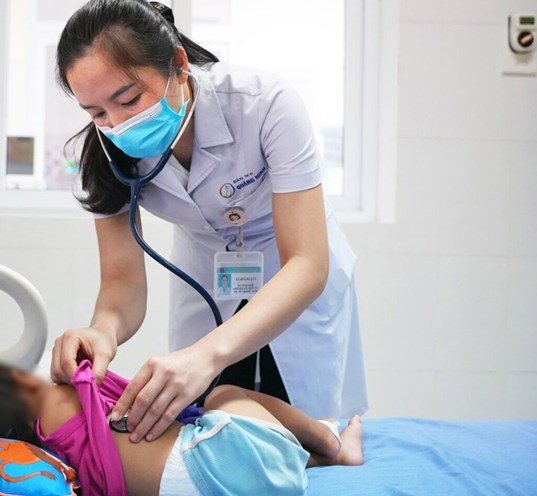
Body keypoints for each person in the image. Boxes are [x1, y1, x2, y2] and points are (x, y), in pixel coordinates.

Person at [51, 0, 367, 444]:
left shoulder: (266, 105)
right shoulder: (104, 159)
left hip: (290, 269)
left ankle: (332, 445)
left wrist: (206, 354)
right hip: (207, 271)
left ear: (178, 64)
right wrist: (102, 330)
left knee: (299, 430)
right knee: (212, 426)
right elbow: (121, 282)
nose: (119, 126)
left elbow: (308, 264)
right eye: (97, 113)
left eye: (129, 99)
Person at [0, 359, 364, 496]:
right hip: (226, 461)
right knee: (225, 395)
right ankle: (328, 441)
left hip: (204, 490)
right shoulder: (60, 397)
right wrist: (82, 367)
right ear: (13, 382)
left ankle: (308, 454)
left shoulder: (44, 458)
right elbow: (130, 393)